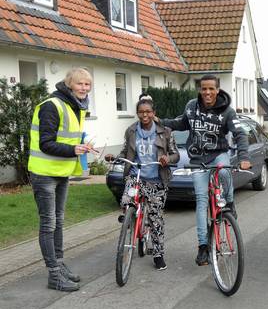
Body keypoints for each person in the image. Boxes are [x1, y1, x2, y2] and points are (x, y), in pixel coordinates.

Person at [156, 74, 250, 266]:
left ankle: (229, 202)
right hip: (197, 159)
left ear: (218, 89)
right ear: (200, 89)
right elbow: (182, 123)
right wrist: (162, 121)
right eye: (204, 88)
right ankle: (202, 247)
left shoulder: (228, 111)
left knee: (224, 171)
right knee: (201, 200)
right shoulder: (191, 106)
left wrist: (244, 157)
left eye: (211, 89)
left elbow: (240, 134)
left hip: (218, 154)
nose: (207, 92)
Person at [28, 67, 95, 291]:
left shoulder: (75, 106)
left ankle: (58, 264)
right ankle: (54, 275)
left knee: (58, 221)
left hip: (61, 173)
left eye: (87, 85)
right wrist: (73, 150)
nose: (84, 88)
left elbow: (66, 139)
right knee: (48, 223)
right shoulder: (52, 105)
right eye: (80, 84)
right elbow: (45, 143)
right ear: (69, 85)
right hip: (44, 173)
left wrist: (81, 147)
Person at [105, 97, 180, 270]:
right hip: (136, 175)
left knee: (155, 220)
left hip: (156, 179)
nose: (144, 115)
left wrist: (167, 159)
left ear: (153, 114)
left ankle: (158, 253)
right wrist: (115, 157)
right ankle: (129, 217)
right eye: (141, 112)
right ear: (137, 113)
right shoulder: (131, 131)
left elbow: (175, 154)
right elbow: (126, 151)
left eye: (148, 112)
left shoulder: (165, 132)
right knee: (127, 198)